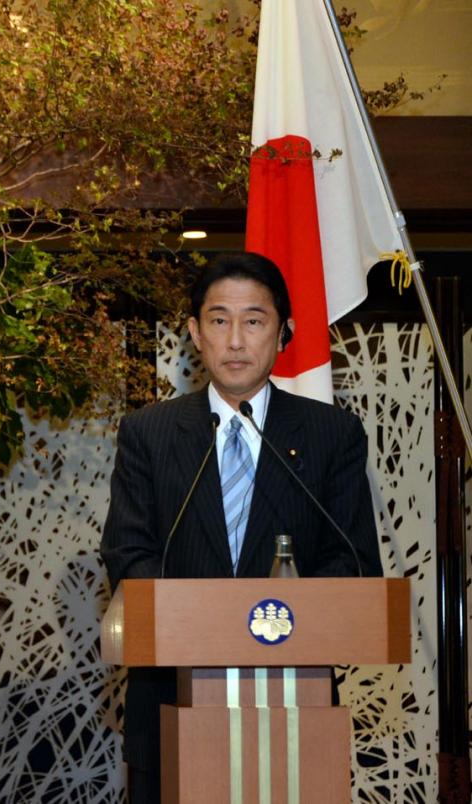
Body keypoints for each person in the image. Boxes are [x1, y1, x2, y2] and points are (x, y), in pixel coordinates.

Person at [100, 251, 382, 804]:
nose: (235, 340)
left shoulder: (332, 435)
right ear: (194, 332)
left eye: (254, 321)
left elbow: (351, 561)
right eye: (219, 320)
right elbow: (128, 553)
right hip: (170, 703)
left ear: (284, 333)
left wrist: (274, 627)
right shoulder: (148, 434)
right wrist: (201, 630)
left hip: (295, 709)